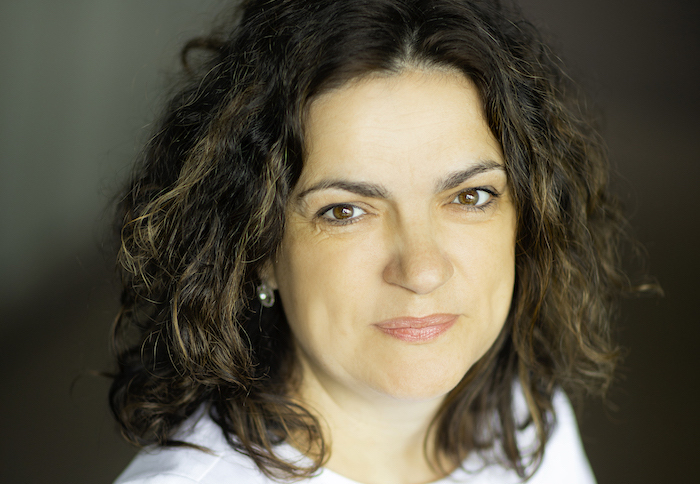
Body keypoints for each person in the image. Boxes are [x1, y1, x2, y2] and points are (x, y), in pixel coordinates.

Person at [109, 0, 634, 482]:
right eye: (345, 211)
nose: (422, 269)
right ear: (258, 249)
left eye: (470, 196)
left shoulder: (525, 421)